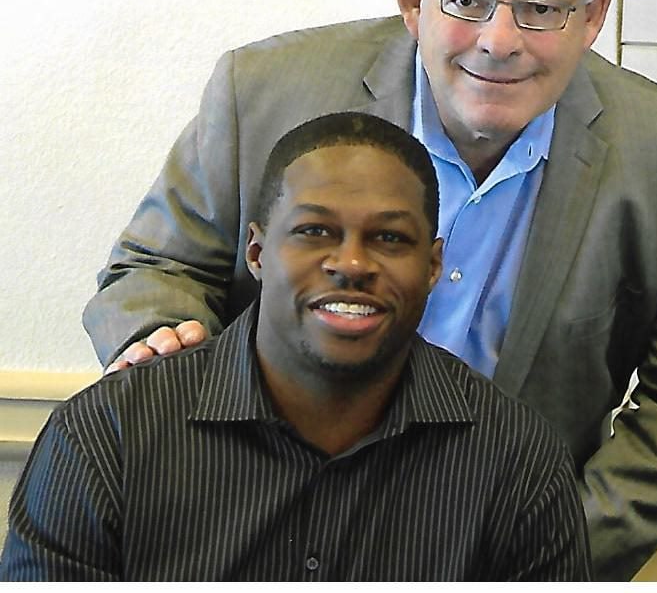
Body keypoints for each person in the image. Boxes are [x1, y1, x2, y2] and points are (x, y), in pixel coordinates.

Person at [80, 0, 657, 579]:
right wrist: (165, 344)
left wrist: (549, 548)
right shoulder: (262, 95)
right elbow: (153, 269)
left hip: (500, 551)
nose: (498, 41)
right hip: (251, 527)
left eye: (540, 9)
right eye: (466, 1)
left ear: (591, 16)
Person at [1, 112, 590, 581]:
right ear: (257, 253)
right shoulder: (109, 436)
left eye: (389, 238)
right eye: (314, 231)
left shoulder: (516, 460)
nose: (351, 264)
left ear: (433, 266)